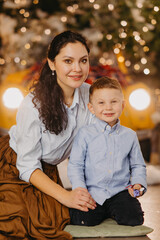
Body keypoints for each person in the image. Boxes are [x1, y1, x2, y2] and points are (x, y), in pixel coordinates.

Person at [0, 30, 96, 240]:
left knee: (56, 215)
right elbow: (27, 166)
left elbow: (97, 145)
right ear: (52, 64)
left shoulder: (91, 96)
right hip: (15, 164)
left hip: (47, 170)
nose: (77, 69)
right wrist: (68, 197)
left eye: (83, 60)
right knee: (20, 220)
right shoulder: (33, 104)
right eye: (68, 61)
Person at [68, 76, 147, 227]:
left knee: (133, 219)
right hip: (93, 192)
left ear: (123, 105)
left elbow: (138, 165)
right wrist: (80, 189)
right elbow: (76, 165)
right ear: (91, 107)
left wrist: (138, 184)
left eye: (114, 102)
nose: (108, 107)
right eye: (101, 103)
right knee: (82, 220)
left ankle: (114, 210)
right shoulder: (85, 134)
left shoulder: (130, 135)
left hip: (120, 192)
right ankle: (101, 211)